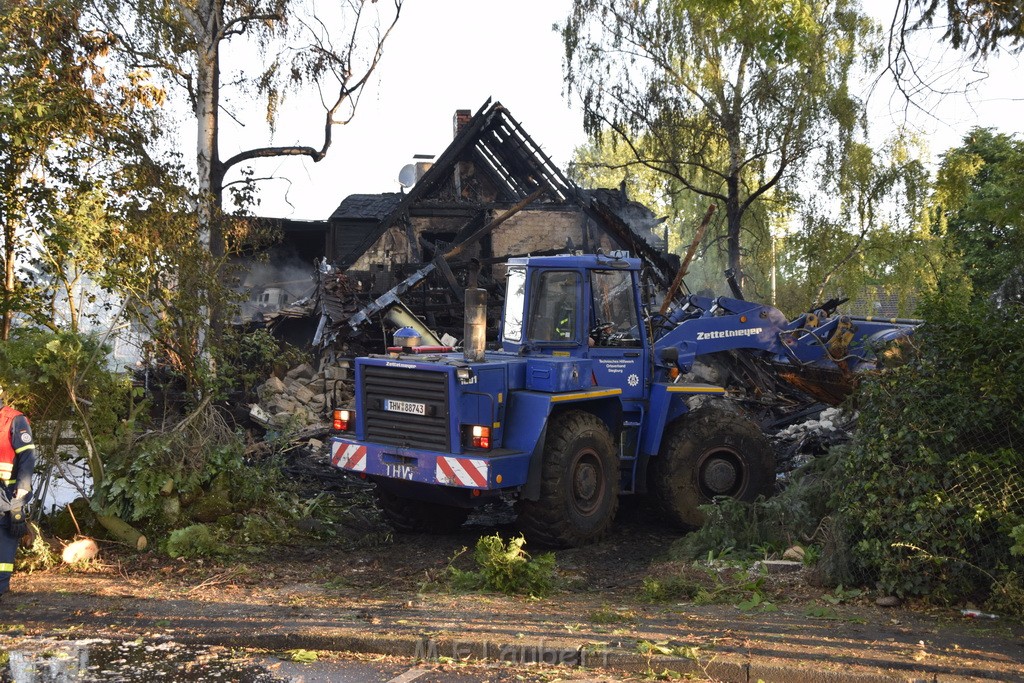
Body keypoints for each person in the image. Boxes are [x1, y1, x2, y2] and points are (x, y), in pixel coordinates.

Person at [0, 385, 34, 599]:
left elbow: (27, 459)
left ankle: (1, 587)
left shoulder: (14, 420)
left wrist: (20, 497)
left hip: (5, 493)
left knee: (4, 538)